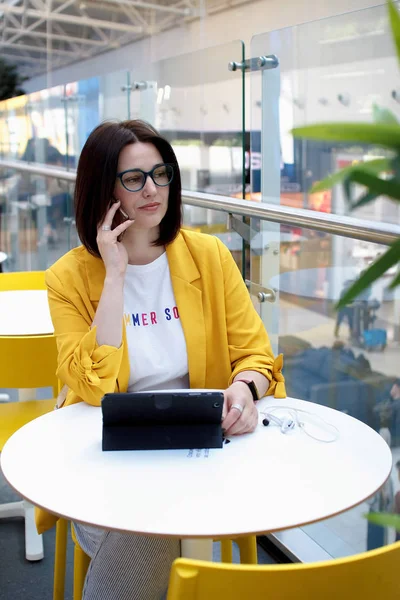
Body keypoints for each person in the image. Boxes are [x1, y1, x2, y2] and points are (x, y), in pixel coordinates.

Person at [35, 120, 285, 600]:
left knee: (163, 520)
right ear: (102, 190)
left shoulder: (208, 256)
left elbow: (255, 354)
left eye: (161, 173)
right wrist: (114, 277)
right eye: (133, 179)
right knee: (152, 525)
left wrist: (246, 387)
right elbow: (93, 386)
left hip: (204, 453)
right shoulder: (66, 279)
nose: (152, 189)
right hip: (107, 467)